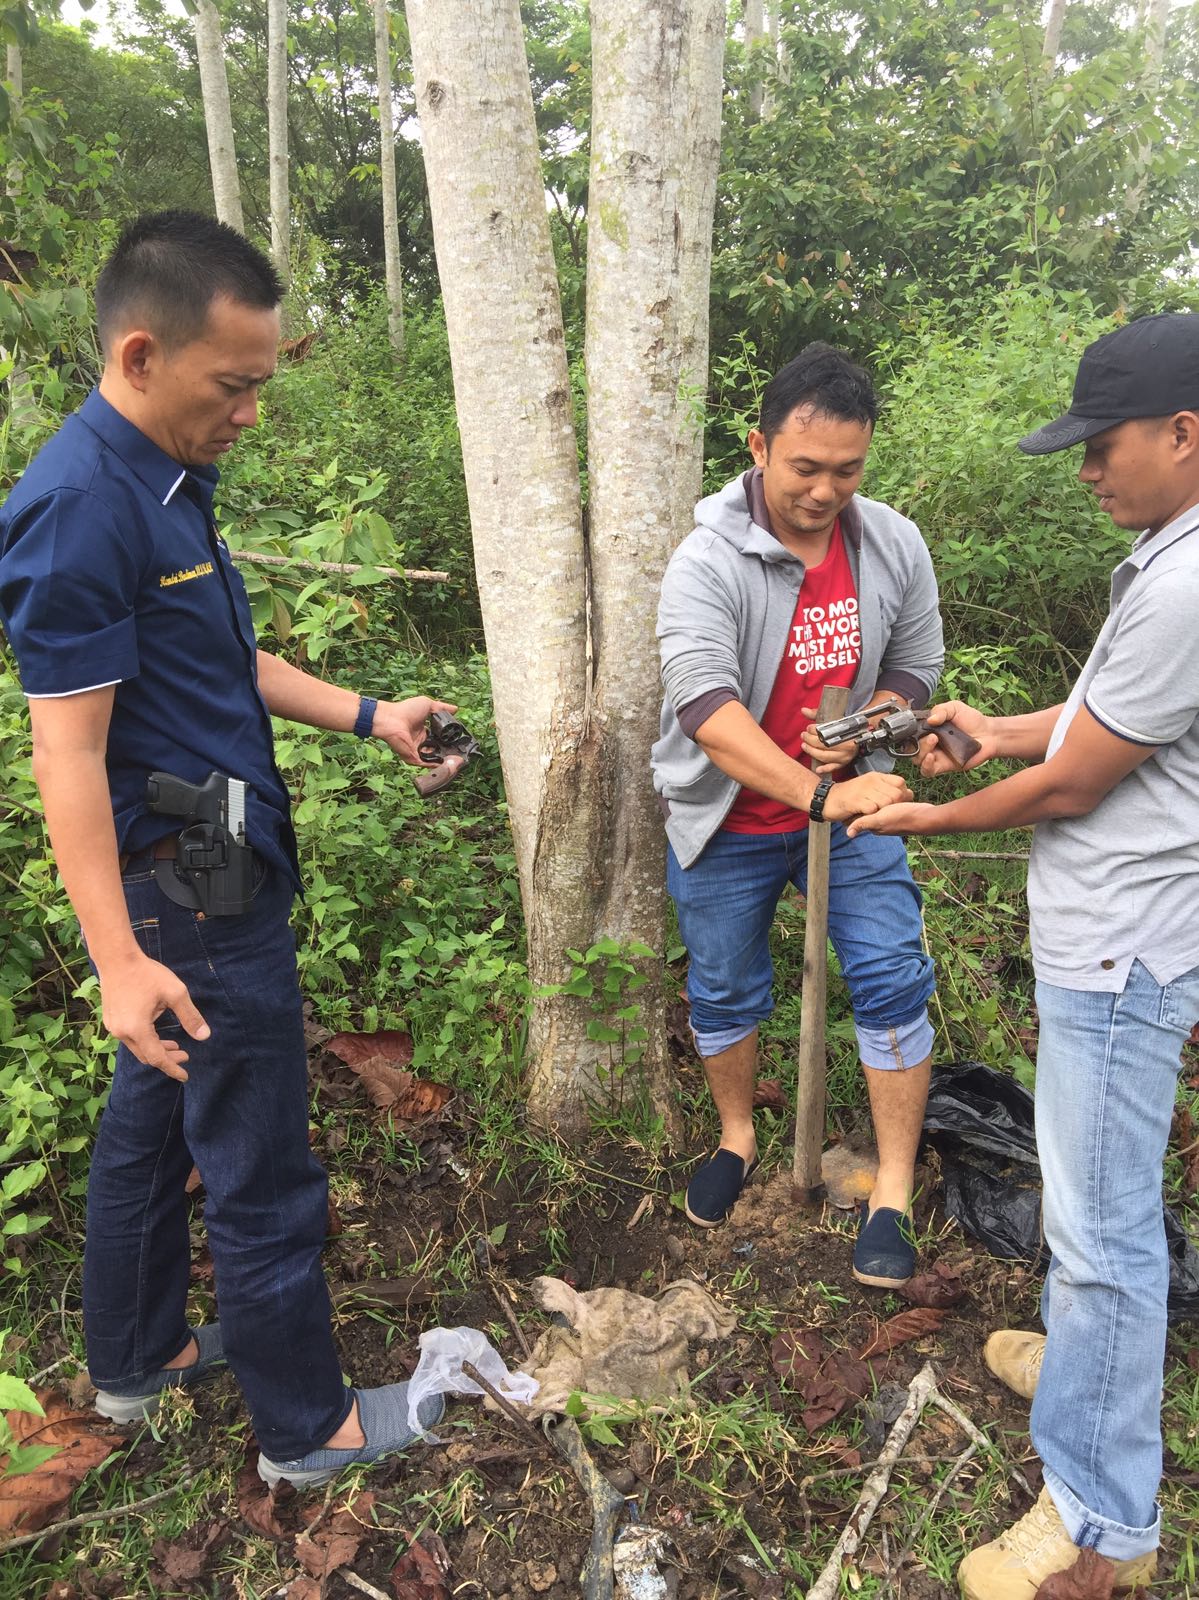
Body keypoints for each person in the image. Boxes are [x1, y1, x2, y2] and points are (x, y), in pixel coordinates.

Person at [0, 211, 451, 1490]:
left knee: (155, 1115)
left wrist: (373, 717)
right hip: (189, 863)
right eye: (235, 384)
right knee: (258, 1148)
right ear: (141, 354)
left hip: (218, 830)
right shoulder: (80, 509)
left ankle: (133, 1361)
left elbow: (220, 663)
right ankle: (309, 1429)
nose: (252, 411)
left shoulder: (162, 474)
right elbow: (67, 752)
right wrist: (117, 956)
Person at [850, 311, 1199, 1596]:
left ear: (1181, 432)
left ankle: (1103, 1523)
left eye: (1101, 446)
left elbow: (1076, 785)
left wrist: (923, 811)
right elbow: (1109, 717)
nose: (1086, 470)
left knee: (1105, 1232)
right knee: (1085, 1200)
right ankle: (1085, 1359)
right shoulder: (1168, 554)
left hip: (1123, 954)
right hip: (1111, 945)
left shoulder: (1187, 579)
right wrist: (996, 729)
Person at [652, 342, 945, 1287]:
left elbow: (915, 664)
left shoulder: (890, 542)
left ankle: (892, 1188)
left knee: (891, 973)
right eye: (804, 468)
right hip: (732, 821)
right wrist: (811, 786)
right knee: (725, 987)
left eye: (847, 470)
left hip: (847, 810)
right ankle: (737, 1139)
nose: (824, 491)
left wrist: (864, 730)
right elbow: (705, 708)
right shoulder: (706, 561)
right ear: (758, 446)